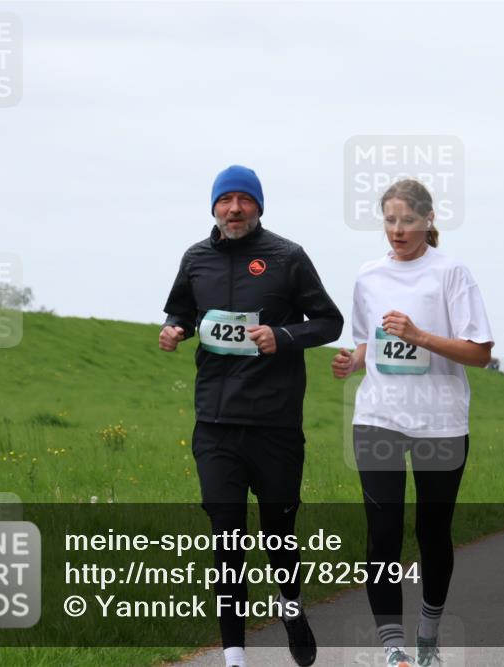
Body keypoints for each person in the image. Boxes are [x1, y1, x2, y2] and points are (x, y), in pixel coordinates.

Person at [161, 165, 344, 667]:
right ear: (214, 207)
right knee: (226, 534)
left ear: (259, 207)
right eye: (226, 200)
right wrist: (175, 330)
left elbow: (330, 322)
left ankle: (290, 607)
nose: (234, 208)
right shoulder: (195, 258)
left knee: (278, 531)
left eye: (244, 199)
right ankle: (235, 655)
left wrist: (282, 336)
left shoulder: (288, 257)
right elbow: (181, 311)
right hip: (215, 423)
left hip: (275, 424)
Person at [331, 179, 494, 667]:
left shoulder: (451, 274)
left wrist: (421, 335)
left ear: (428, 220)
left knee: (432, 531)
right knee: (382, 532)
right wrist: (354, 361)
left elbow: (480, 353)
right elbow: (372, 340)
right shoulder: (368, 275)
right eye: (389, 220)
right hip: (378, 417)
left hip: (440, 422)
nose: (397, 230)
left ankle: (427, 636)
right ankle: (393, 649)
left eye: (407, 220)